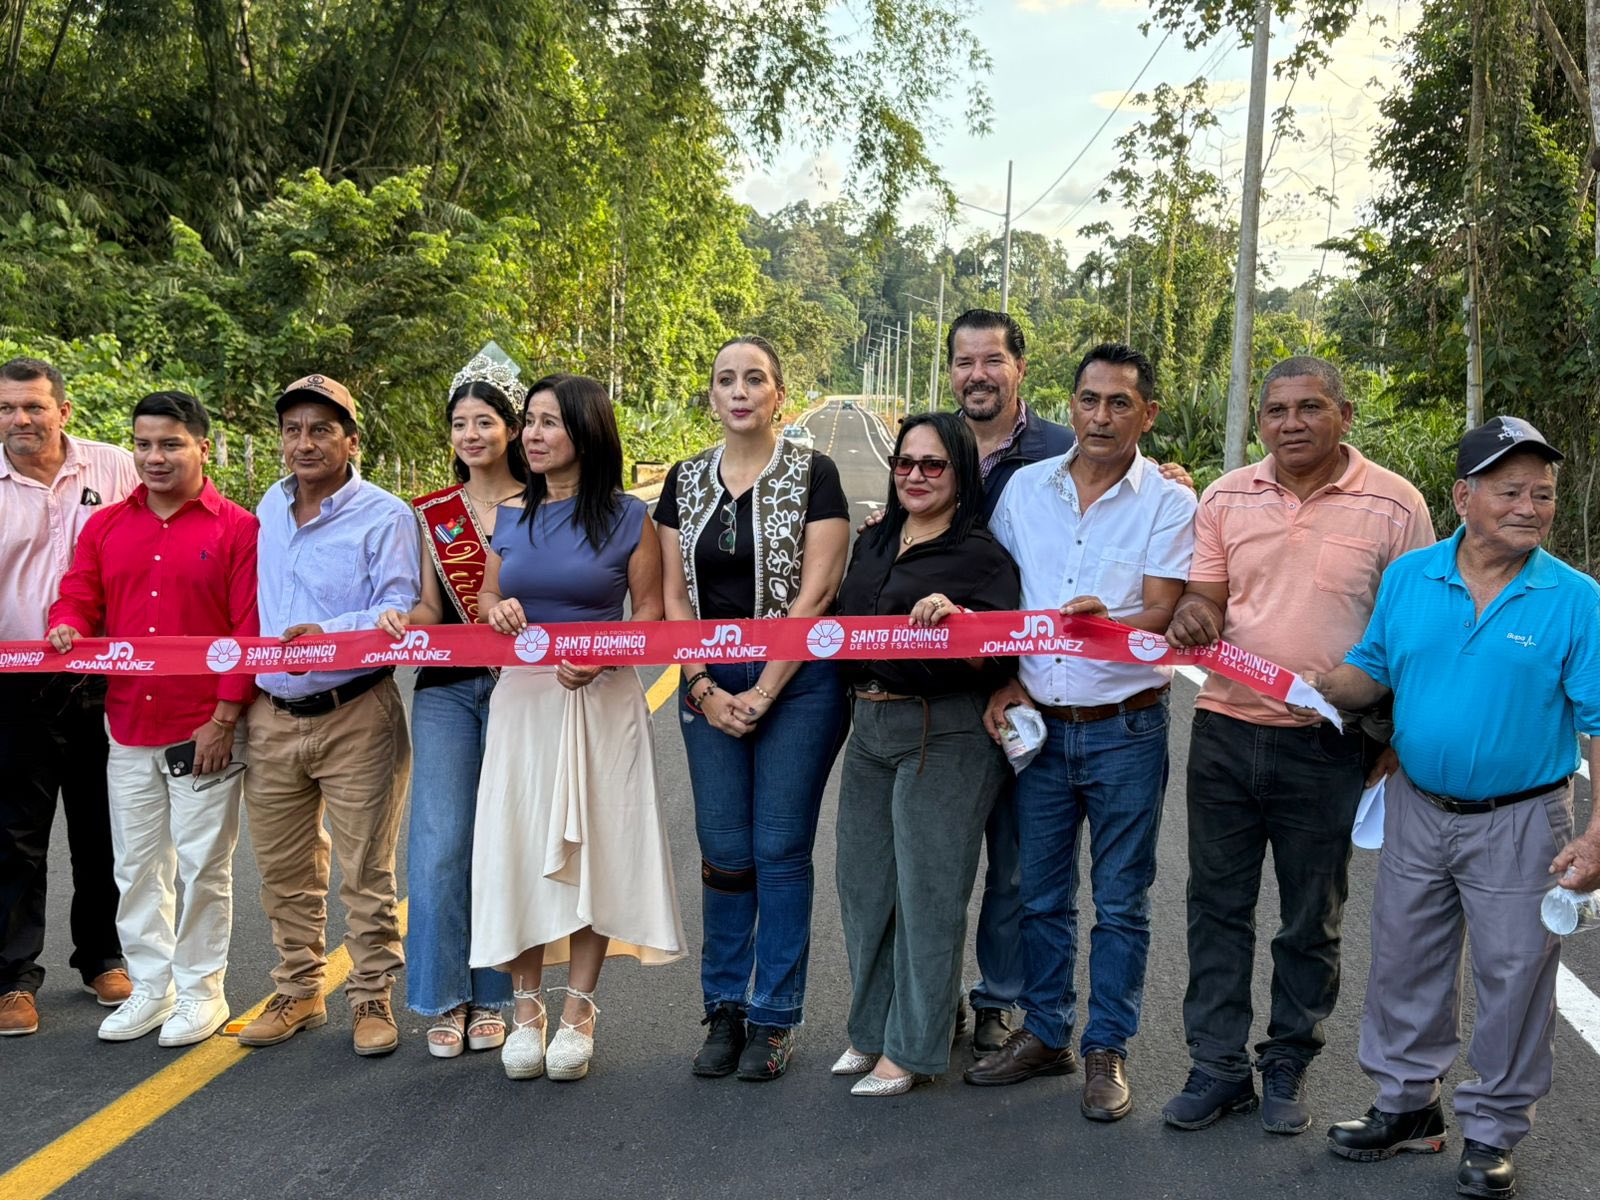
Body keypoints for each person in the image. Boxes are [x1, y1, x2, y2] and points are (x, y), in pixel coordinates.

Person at [1308, 417, 1600, 1200]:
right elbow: (1372, 667)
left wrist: (1599, 833)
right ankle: (1408, 1106)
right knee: (1404, 961)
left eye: (1543, 494)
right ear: (1464, 498)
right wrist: (1317, 684)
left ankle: (1495, 1131)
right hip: (1417, 806)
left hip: (1523, 819)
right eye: (1511, 491)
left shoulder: (1576, 599)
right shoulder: (1412, 576)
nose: (1530, 507)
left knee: (1515, 976)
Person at [1159, 357, 1435, 1134]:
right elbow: (1205, 597)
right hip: (1224, 730)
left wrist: (1396, 737)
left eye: (1310, 407)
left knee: (1312, 917)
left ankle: (1287, 1061)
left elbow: (1417, 632)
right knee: (1216, 907)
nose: (1292, 424)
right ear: (1261, 423)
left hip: (1329, 744)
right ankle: (1218, 1067)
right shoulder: (1225, 496)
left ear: (1344, 415)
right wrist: (1194, 616)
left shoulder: (1397, 505)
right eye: (1276, 411)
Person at [941, 310, 1192, 1053]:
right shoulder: (1025, 490)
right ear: (1071, 404)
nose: (1101, 417)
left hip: (1127, 727)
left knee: (1121, 903)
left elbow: (1164, 612)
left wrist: (1108, 621)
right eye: (1089, 400)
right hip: (1040, 731)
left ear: (1147, 414)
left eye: (1120, 403)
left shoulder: (1171, 502)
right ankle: (1045, 1034)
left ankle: (1106, 1049)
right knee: (1041, 896)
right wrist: (1002, 681)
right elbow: (997, 594)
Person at [471, 372, 684, 1082]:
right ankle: (525, 1008)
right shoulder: (510, 514)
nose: (532, 435)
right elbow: (489, 593)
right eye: (529, 421)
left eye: (549, 422)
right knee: (520, 847)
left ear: (587, 433)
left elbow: (649, 615)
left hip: (602, 700)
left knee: (595, 849)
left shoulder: (629, 517)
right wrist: (497, 609)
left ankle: (580, 1009)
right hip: (523, 703)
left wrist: (600, 656)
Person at [656, 335, 851, 1081]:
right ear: (711, 396)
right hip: (707, 681)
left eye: (755, 379)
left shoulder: (815, 473)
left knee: (779, 847)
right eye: (725, 380)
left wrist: (765, 689)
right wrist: (703, 687)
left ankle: (774, 1015)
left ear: (779, 396)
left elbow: (817, 593)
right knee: (725, 851)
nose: (739, 391)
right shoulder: (684, 479)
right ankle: (724, 1008)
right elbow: (674, 597)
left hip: (797, 683)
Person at [45, 391, 258, 1046]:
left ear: (202, 446)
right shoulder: (107, 525)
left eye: (170, 444)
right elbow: (80, 592)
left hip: (204, 728)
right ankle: (151, 986)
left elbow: (248, 628)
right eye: (143, 444)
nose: (154, 457)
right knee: (136, 866)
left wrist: (225, 717)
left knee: (203, 868)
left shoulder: (237, 528)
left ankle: (202, 991)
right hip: (127, 722)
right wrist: (66, 622)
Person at [831, 411, 1020, 1097]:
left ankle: (912, 1047)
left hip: (944, 730)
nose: (915, 475)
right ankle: (873, 1029)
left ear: (960, 473)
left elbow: (999, 654)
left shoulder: (982, 557)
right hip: (870, 725)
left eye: (932, 464)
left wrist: (960, 624)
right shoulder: (875, 538)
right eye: (905, 462)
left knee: (928, 896)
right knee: (864, 890)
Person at [236, 374, 419, 1057]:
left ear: (351, 441)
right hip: (272, 713)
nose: (304, 443)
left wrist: (330, 632)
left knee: (365, 868)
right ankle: (298, 989)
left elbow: (397, 607)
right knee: (283, 869)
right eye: (293, 430)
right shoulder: (269, 505)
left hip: (355, 711)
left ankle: (371, 993)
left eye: (321, 429)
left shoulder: (385, 515)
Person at [377, 349, 529, 1058]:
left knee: (504, 840)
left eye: (485, 421)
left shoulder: (545, 503)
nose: (472, 434)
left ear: (512, 428)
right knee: (440, 843)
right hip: (446, 691)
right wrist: (403, 619)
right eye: (460, 423)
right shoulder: (434, 513)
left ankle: (496, 993)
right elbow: (431, 609)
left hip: (525, 687)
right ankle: (443, 994)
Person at [0, 356, 135, 1037]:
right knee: (14, 837)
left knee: (101, 827)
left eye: (33, 406)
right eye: (6, 409)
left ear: (63, 411)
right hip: (12, 682)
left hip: (104, 677)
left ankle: (103, 957)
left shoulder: (115, 468)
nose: (20, 419)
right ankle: (12, 978)